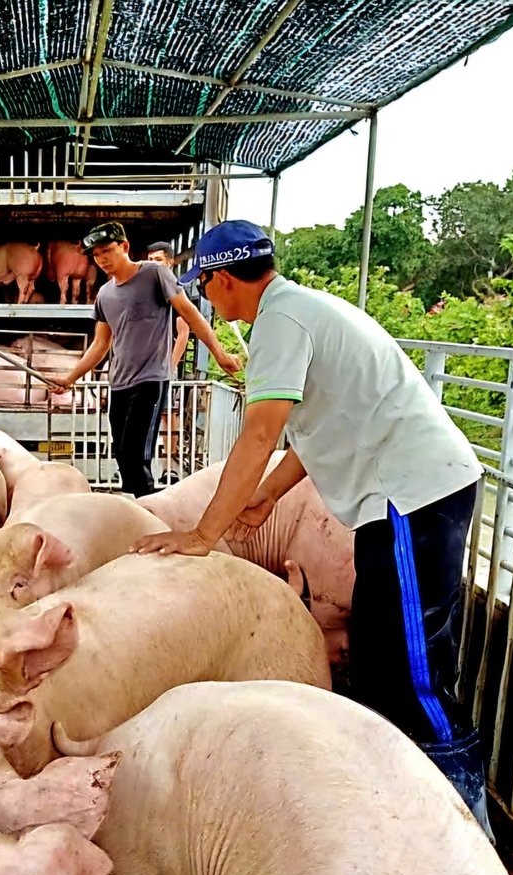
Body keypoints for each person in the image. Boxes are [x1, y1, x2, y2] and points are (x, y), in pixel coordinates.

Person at [129, 219, 493, 839]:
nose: (209, 301)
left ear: (220, 279)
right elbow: (312, 429)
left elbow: (262, 432)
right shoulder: (297, 311)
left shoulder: (279, 323)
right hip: (399, 497)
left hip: (412, 495)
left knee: (413, 668)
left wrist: (203, 534)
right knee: (379, 659)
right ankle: (399, 801)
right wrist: (266, 495)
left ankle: (461, 825)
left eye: (206, 287)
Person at [49, 221, 242, 498]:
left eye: (106, 251)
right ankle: (136, 509)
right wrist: (70, 378)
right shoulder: (104, 294)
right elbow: (100, 344)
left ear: (124, 247)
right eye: (96, 255)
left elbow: (189, 313)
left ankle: (148, 511)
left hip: (151, 379)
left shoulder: (155, 274)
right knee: (122, 454)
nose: (101, 259)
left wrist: (219, 353)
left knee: (137, 454)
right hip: (119, 384)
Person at [144, 241, 191, 378]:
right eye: (150, 260)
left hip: (162, 364)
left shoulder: (177, 293)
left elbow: (183, 333)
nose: (153, 264)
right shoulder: (142, 291)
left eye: (158, 260)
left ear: (170, 262)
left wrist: (170, 367)